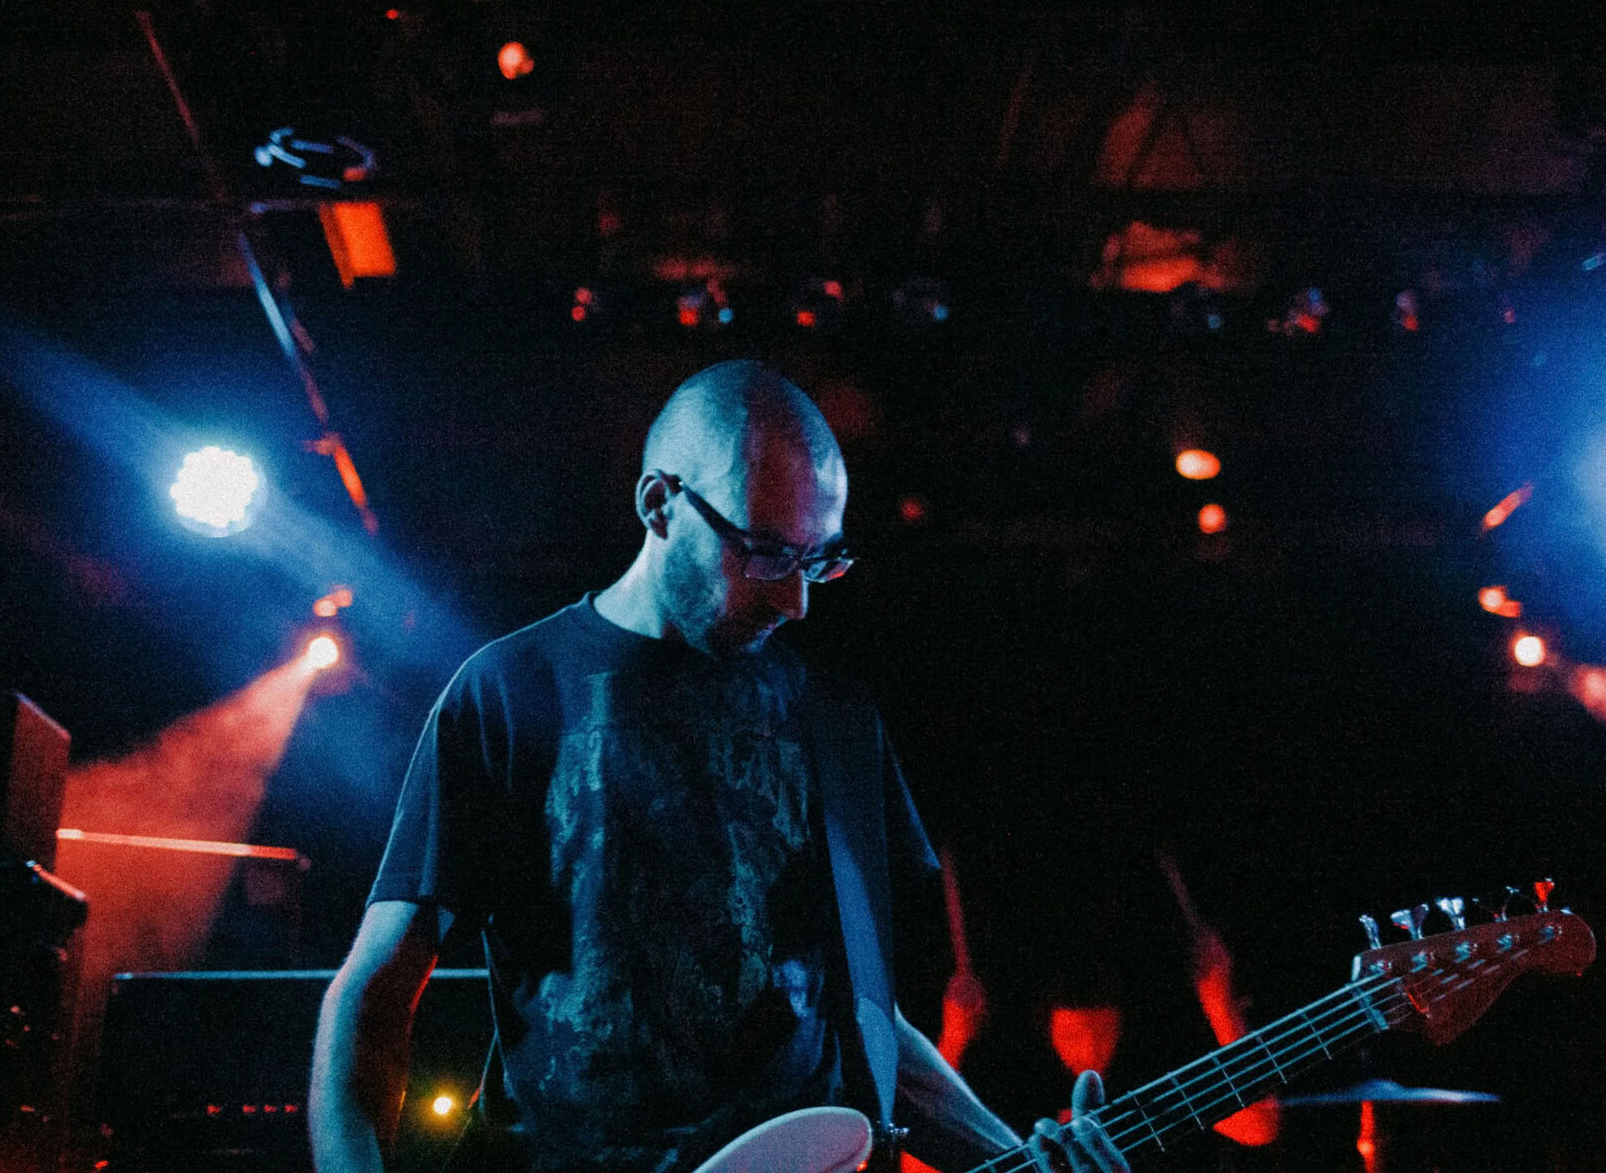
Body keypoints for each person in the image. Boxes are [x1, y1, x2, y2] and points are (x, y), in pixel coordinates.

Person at [309, 361, 1127, 1173]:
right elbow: (374, 1000)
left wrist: (1015, 1156)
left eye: (820, 560)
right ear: (660, 504)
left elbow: (863, 1022)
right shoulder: (511, 689)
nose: (796, 601)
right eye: (766, 553)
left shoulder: (833, 719)